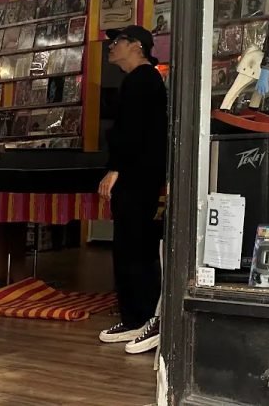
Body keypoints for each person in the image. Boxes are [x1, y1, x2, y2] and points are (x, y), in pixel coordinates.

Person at [99, 25, 168, 355]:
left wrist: (116, 169)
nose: (111, 47)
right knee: (128, 244)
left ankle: (144, 317)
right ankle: (134, 317)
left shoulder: (143, 79)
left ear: (137, 46)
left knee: (136, 243)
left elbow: (134, 133)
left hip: (138, 176)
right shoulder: (139, 80)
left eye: (118, 42)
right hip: (139, 174)